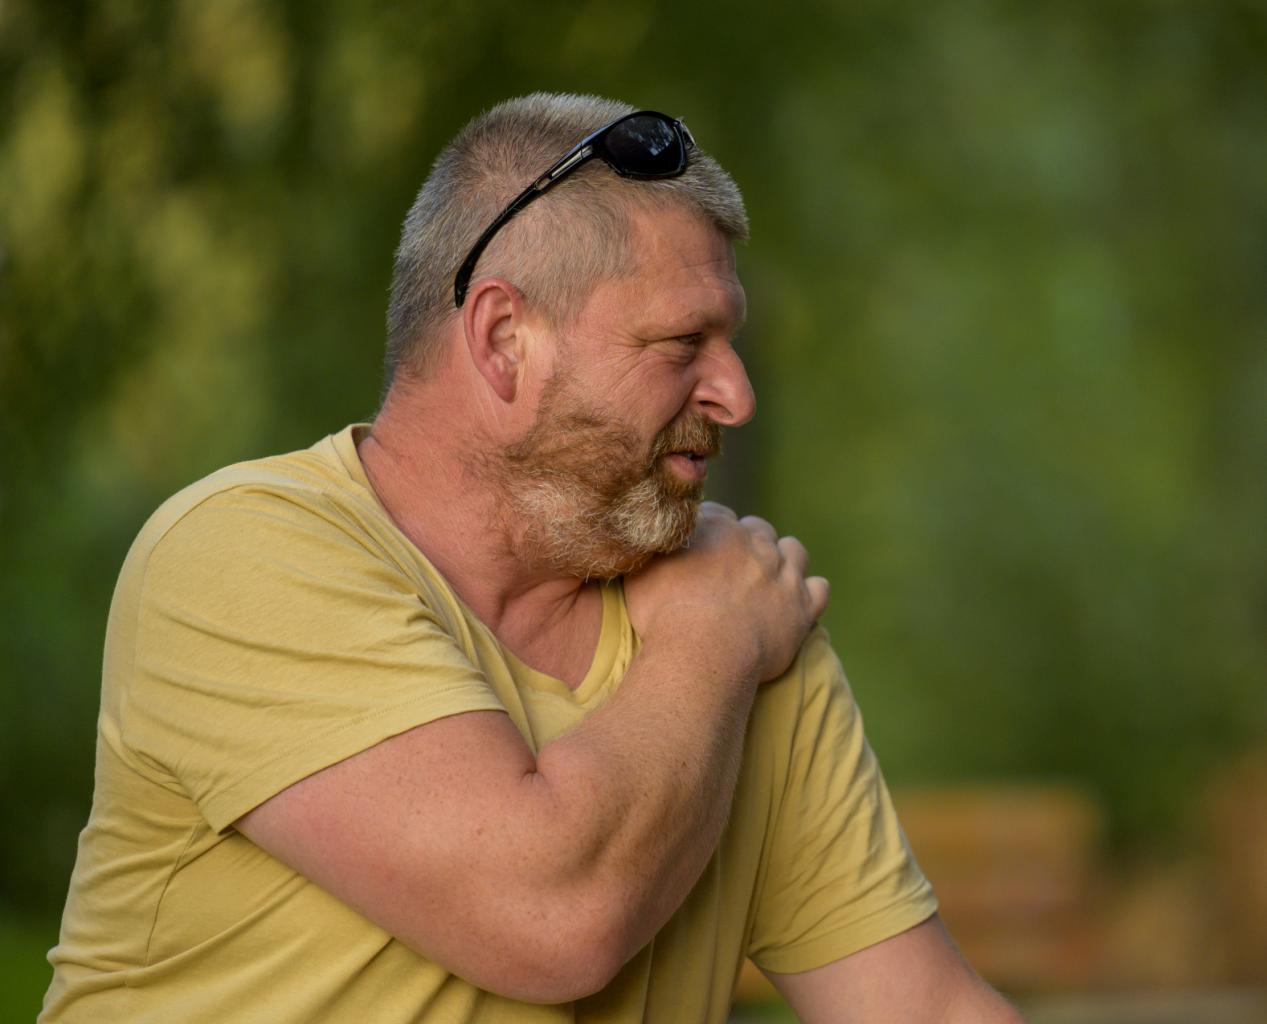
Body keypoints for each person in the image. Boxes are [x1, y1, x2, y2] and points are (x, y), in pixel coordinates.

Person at [42, 93, 1022, 1023]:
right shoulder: (241, 553)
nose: (734, 393)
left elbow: (924, 1007)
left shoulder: (742, 617)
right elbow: (548, 915)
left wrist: (722, 632)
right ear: (505, 339)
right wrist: (710, 641)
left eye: (730, 341)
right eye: (683, 341)